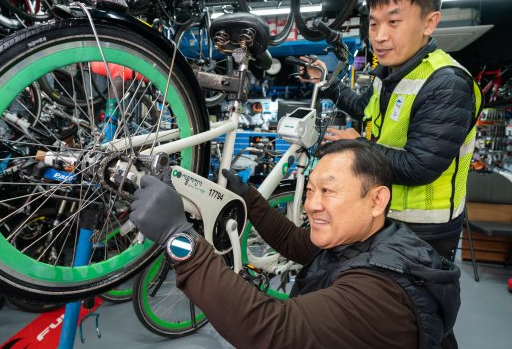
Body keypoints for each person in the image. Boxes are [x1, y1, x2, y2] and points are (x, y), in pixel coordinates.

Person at [129, 140, 460, 348]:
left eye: (327, 191)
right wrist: (250, 197)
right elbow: (293, 240)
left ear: (377, 200)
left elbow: (273, 331)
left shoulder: (381, 293)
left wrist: (179, 239)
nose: (310, 204)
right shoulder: (366, 237)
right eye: (311, 190)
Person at [302, 0, 482, 261]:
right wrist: (327, 84)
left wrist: (359, 147)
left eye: (394, 22)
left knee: (406, 305)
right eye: (374, 24)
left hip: (423, 230)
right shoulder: (388, 73)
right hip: (382, 213)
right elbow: (365, 109)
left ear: (429, 23)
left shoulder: (447, 82)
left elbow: (418, 167)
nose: (380, 36)